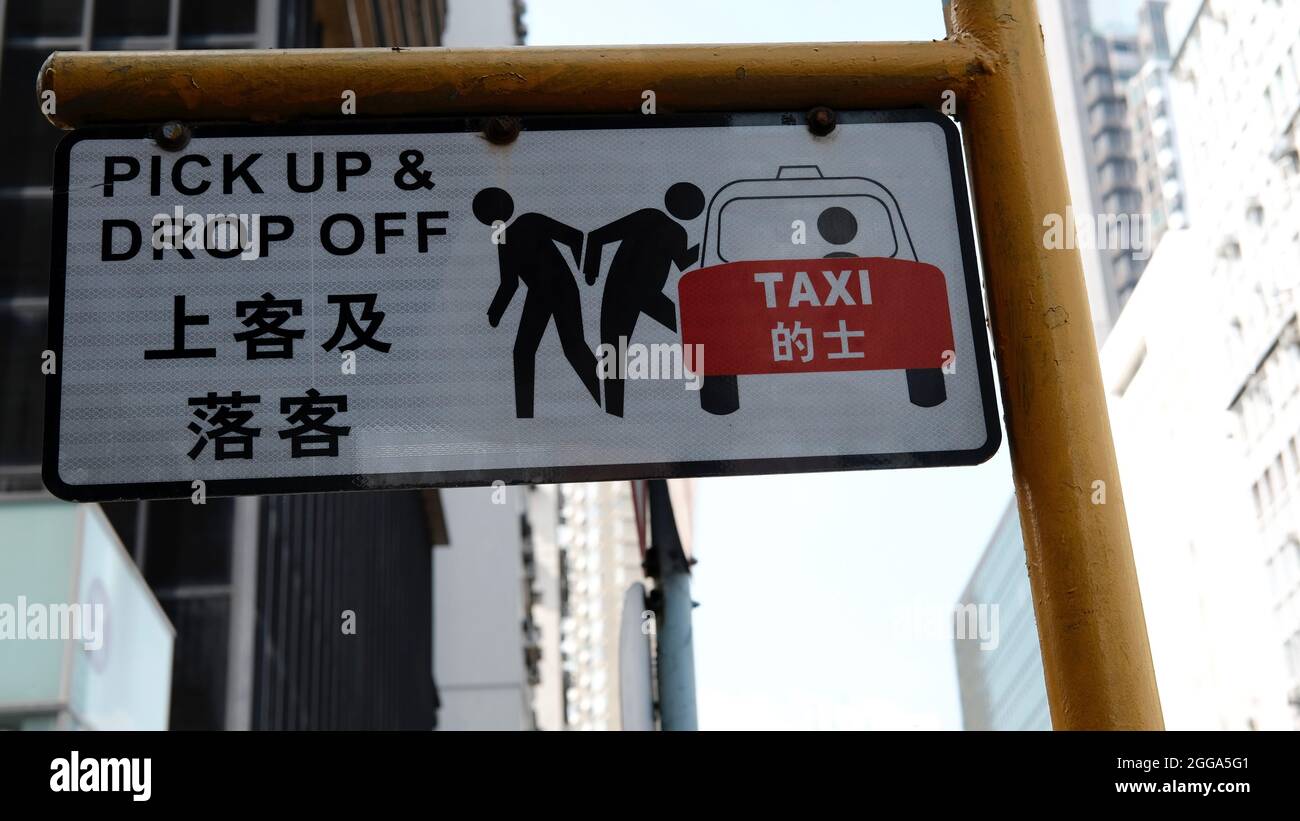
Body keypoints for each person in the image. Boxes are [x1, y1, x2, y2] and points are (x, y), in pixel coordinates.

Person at [476, 187, 601, 418]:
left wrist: (588, 271)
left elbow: (574, 237)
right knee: (523, 352)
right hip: (539, 294)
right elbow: (509, 284)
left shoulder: (530, 220)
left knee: (573, 348)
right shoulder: (503, 239)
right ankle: (524, 417)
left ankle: (606, 402)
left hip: (562, 287)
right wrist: (494, 313)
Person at [582, 182, 704, 417]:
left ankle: (710, 391)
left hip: (650, 295)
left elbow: (683, 263)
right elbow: (598, 236)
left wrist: (709, 241)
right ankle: (612, 416)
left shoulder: (679, 232)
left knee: (694, 331)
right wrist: (591, 272)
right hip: (621, 292)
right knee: (614, 357)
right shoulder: (649, 216)